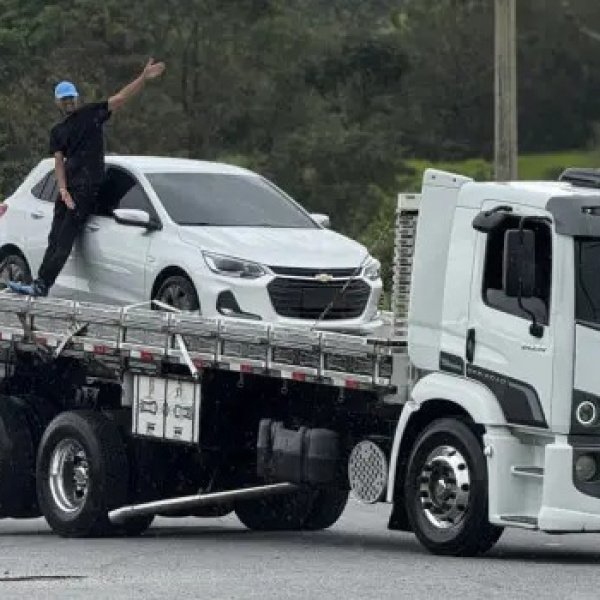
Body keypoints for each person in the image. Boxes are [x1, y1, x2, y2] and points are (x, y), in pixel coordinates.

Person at [8, 58, 166, 297]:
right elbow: (58, 163)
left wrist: (143, 79)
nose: (69, 102)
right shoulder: (58, 131)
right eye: (64, 99)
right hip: (68, 189)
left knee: (64, 238)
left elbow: (120, 98)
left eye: (71, 97)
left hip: (86, 187)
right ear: (57, 102)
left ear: (77, 98)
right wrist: (62, 191)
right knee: (54, 238)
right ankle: (39, 281)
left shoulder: (91, 114)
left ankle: (43, 285)